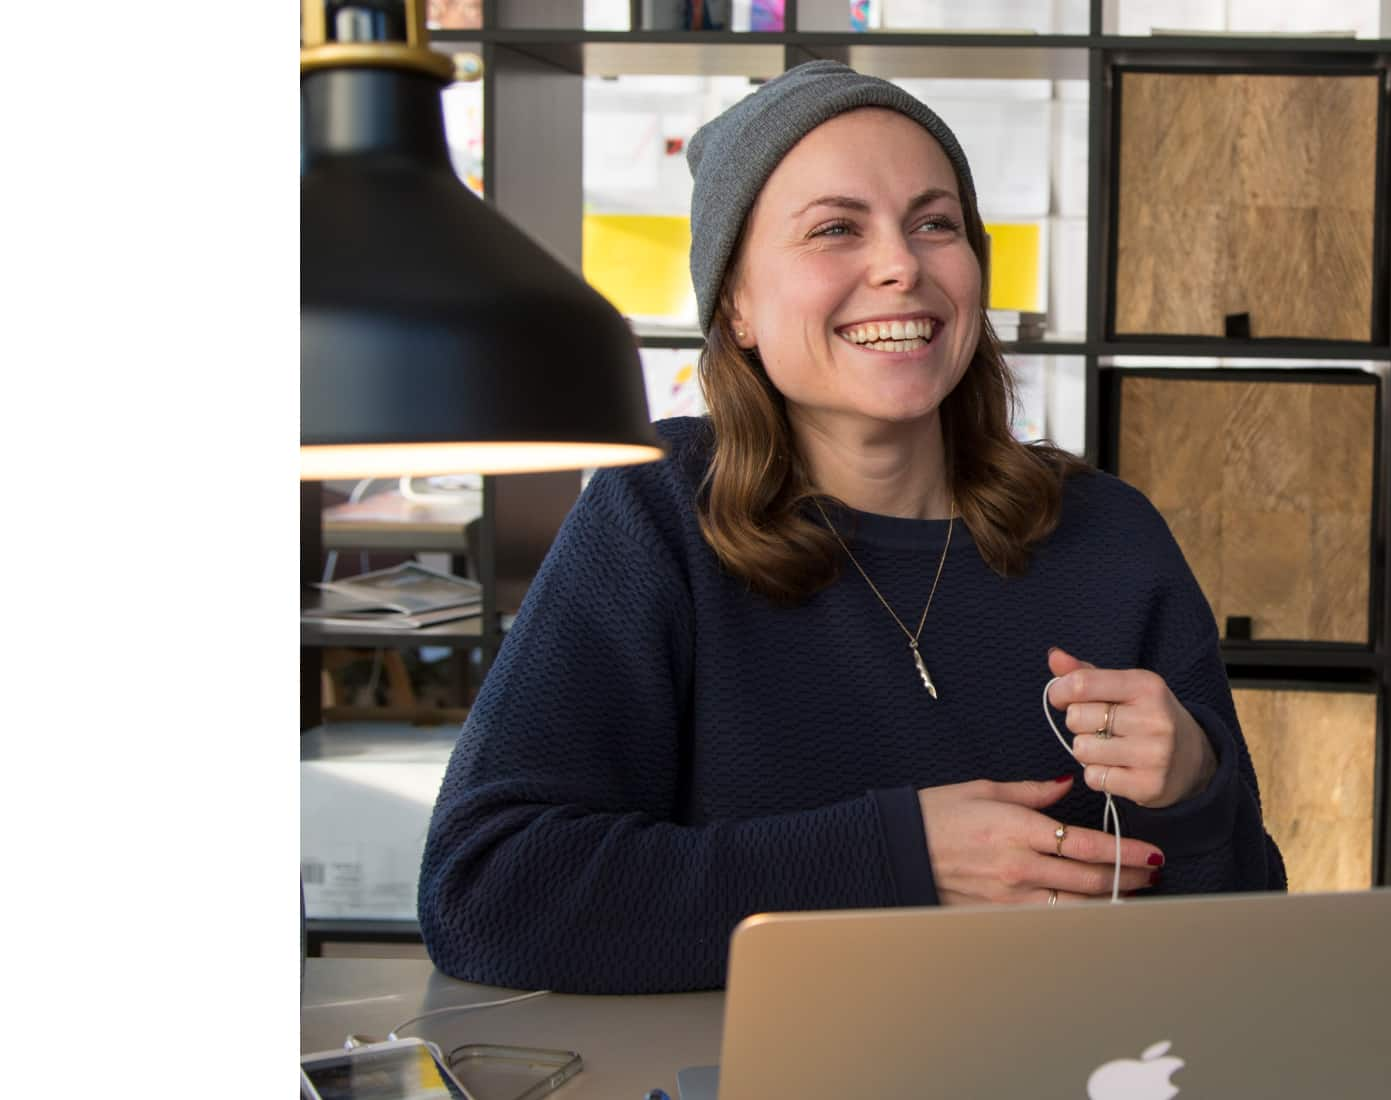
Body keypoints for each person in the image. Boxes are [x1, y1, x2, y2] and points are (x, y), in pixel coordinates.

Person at [417, 61, 1288, 995]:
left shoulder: (1112, 536)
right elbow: (486, 893)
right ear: (738, 305)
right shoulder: (656, 515)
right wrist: (900, 861)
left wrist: (1199, 790)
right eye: (836, 228)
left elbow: (1241, 933)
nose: (901, 264)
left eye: (935, 223)